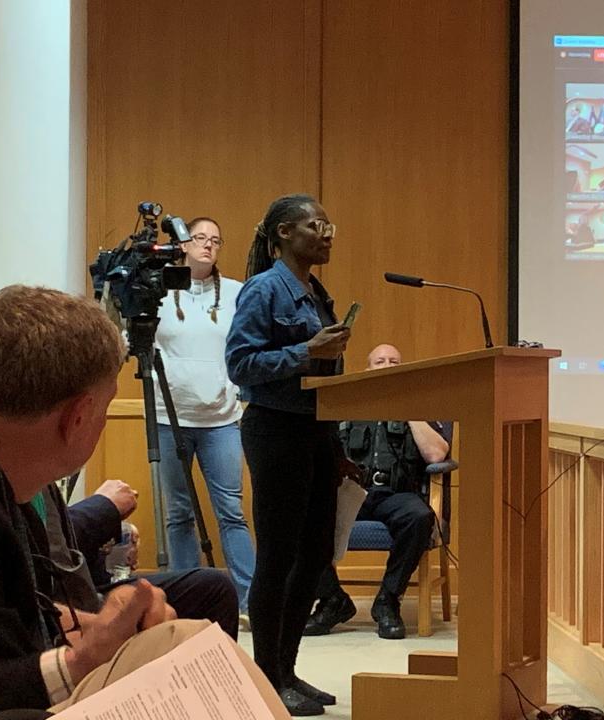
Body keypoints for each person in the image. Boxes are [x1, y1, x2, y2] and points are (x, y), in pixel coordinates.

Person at [0, 286, 288, 719]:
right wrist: (79, 662)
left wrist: (86, 628)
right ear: (78, 418)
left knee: (184, 635)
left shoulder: (12, 476)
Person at [226, 193, 358, 716]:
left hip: (316, 432)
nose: (326, 234)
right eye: (314, 225)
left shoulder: (314, 290)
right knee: (278, 559)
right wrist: (308, 350)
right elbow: (241, 364)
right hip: (276, 430)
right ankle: (265, 676)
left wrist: (338, 446)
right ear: (282, 233)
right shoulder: (264, 288)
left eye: (329, 225)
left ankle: (287, 670)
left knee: (316, 555)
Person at [303, 344, 452, 640]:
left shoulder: (418, 405)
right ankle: (333, 600)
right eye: (379, 361)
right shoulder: (346, 406)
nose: (386, 366)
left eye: (393, 362)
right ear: (367, 370)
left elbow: (436, 454)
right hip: (352, 493)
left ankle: (387, 601)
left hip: (397, 495)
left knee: (420, 518)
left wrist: (405, 407)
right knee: (303, 515)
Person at [154, 216, 255, 627]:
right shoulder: (157, 290)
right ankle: (186, 601)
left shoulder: (234, 292)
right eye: (200, 238)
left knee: (231, 510)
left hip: (221, 419)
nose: (208, 246)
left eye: (215, 240)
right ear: (182, 244)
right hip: (168, 417)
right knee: (179, 513)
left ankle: (251, 600)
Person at [40, 478, 240, 639]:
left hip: (77, 590)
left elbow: (58, 548)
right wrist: (103, 507)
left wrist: (109, 544)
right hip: (47, 608)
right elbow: (36, 557)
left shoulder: (40, 477)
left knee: (214, 588)